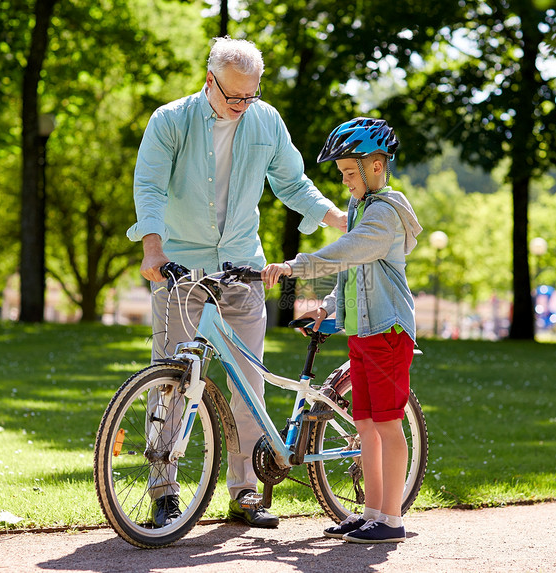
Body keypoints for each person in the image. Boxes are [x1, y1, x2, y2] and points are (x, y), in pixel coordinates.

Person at [127, 37, 347, 529]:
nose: (243, 106)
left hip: (242, 267)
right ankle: (164, 490)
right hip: (180, 269)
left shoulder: (265, 120)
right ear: (210, 81)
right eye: (234, 98)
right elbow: (150, 187)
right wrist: (152, 250)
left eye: (251, 95)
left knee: (248, 386)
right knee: (171, 381)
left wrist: (340, 222)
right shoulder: (170, 121)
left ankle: (245, 491)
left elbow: (293, 184)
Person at [261, 117, 422, 543]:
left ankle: (391, 520)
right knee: (366, 424)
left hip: (388, 331)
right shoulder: (359, 208)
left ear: (375, 165)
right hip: (364, 330)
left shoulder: (385, 212)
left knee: (388, 425)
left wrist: (297, 266)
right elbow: (353, 275)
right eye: (342, 174)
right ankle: (370, 512)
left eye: (350, 172)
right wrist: (326, 308)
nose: (346, 181)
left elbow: (350, 251)